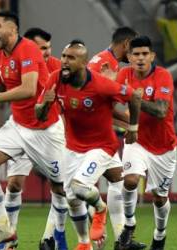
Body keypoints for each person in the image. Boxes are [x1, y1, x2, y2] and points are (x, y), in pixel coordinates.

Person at [0, 11, 66, 249]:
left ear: (12, 30)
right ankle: (5, 228)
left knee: (61, 188)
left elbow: (28, 90)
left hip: (45, 130)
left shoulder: (28, 49)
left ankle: (60, 235)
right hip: (17, 125)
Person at [36, 39, 142, 250]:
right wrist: (46, 104)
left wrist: (133, 128)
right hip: (73, 147)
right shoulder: (56, 78)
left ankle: (100, 210)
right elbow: (39, 115)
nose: (65, 61)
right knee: (72, 199)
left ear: (83, 63)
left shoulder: (101, 85)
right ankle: (85, 243)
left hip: (102, 146)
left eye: (71, 58)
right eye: (64, 56)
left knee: (80, 187)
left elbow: (134, 97)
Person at [87, 26, 146, 250]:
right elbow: (98, 102)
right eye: (133, 50)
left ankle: (122, 239)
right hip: (92, 134)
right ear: (125, 45)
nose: (135, 56)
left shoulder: (103, 60)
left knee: (117, 180)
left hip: (97, 130)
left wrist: (128, 123)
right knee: (77, 189)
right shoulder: (107, 65)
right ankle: (90, 231)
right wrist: (130, 121)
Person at [116, 36, 177, 250]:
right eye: (136, 54)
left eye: (144, 54)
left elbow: (161, 111)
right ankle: (129, 225)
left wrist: (135, 99)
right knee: (131, 180)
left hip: (164, 146)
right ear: (129, 57)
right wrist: (128, 125)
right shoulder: (123, 75)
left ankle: (160, 235)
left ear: (152, 56)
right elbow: (111, 104)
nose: (140, 58)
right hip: (137, 140)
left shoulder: (163, 76)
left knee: (159, 198)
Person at [23, 27, 67, 250]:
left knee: (60, 187)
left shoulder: (58, 68)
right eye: (41, 48)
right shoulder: (20, 64)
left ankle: (50, 238)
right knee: (13, 184)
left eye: (48, 48)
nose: (47, 52)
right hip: (22, 133)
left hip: (51, 133)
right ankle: (6, 241)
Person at [154, 0, 177, 64]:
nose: (174, 10)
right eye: (171, 9)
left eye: (176, 9)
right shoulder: (164, 23)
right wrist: (159, 4)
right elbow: (155, 17)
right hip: (173, 58)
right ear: (167, 13)